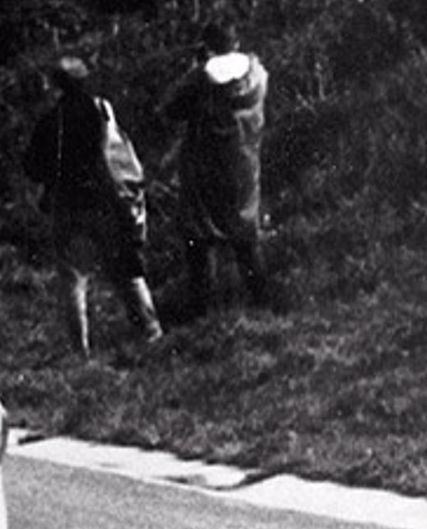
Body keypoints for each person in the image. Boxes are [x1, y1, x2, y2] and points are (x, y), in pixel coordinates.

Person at [21, 56, 162, 356]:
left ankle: (80, 352)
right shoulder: (101, 109)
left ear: (56, 84)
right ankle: (152, 333)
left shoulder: (50, 121)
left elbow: (31, 167)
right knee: (126, 270)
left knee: (73, 280)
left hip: (67, 206)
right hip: (104, 202)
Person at [158, 20, 274, 314]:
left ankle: (203, 312)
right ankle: (262, 301)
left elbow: (170, 108)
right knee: (245, 233)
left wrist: (197, 66)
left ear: (207, 47)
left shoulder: (200, 78)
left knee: (199, 237)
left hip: (204, 168)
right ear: (235, 43)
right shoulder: (257, 72)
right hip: (244, 163)